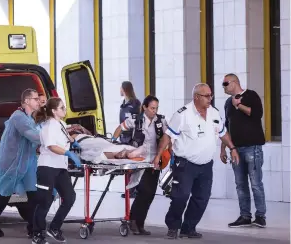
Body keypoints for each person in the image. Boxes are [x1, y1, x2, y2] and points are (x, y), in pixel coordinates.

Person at [152, 83, 240, 239]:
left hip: (206, 165)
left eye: (211, 95)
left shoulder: (214, 113)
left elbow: (223, 133)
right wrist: (159, 155)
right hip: (185, 164)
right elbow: (167, 136)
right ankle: (173, 226)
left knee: (202, 198)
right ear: (196, 97)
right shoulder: (183, 114)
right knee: (181, 196)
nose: (210, 98)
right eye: (206, 96)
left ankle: (188, 227)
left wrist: (232, 148)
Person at [113, 95, 171, 235]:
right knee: (144, 191)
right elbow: (120, 128)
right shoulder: (136, 120)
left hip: (155, 161)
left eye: (156, 108)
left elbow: (168, 136)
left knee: (150, 194)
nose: (154, 111)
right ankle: (133, 220)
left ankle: (140, 224)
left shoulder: (161, 121)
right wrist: (113, 142)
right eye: (152, 108)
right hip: (140, 161)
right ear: (144, 107)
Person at [0, 88, 42, 238]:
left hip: (27, 161)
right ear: (26, 101)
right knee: (4, 194)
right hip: (12, 162)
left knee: (33, 194)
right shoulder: (18, 118)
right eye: (36, 99)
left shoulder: (30, 118)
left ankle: (33, 228)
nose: (39, 101)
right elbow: (33, 136)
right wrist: (51, 138)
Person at [31, 97, 81, 244]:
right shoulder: (48, 126)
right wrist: (68, 153)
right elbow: (52, 146)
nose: (65, 110)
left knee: (70, 197)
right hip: (47, 167)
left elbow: (64, 138)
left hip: (60, 168)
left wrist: (73, 142)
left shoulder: (61, 124)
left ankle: (54, 227)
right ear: (53, 111)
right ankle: (37, 234)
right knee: (45, 201)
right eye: (62, 108)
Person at [221, 73, 267, 228]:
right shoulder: (228, 102)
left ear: (234, 82)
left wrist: (238, 105)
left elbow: (257, 114)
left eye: (226, 83)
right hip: (235, 149)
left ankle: (260, 216)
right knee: (240, 184)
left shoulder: (251, 95)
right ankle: (245, 215)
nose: (224, 87)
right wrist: (223, 148)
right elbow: (225, 126)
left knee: (255, 183)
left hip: (252, 148)